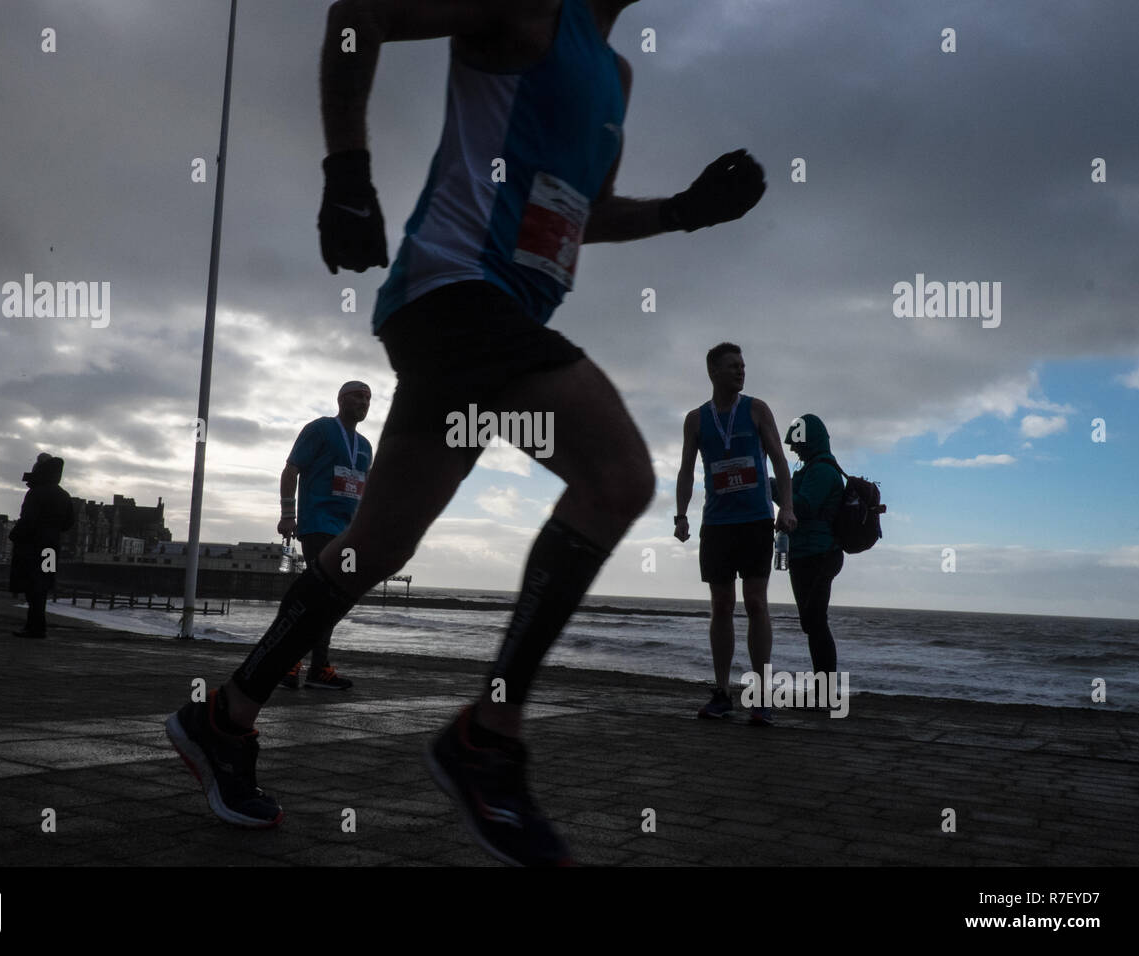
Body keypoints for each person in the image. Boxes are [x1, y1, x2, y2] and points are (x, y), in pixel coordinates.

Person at [166, 0, 767, 865]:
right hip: (457, 293)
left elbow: (584, 212)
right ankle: (487, 737)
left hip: (474, 328)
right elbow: (356, 14)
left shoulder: (617, 76)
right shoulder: (528, 10)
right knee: (620, 477)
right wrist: (346, 173)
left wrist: (683, 211)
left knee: (374, 547)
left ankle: (224, 716)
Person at [675, 344, 795, 725]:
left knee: (756, 603)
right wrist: (680, 516)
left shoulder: (757, 409)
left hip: (756, 520)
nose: (741, 371)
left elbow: (779, 459)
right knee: (721, 605)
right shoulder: (696, 420)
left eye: (743, 365)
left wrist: (786, 508)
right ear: (713, 371)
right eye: (732, 366)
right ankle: (722, 692)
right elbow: (685, 471)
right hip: (717, 525)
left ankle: (760, 697)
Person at [275, 381, 373, 690]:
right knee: (317, 596)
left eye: (368, 397)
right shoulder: (319, 429)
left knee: (332, 600)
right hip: (317, 524)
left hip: (349, 533)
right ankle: (290, 662)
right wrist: (288, 514)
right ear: (342, 399)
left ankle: (318, 668)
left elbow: (365, 491)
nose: (364, 401)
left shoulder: (367, 446)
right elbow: (291, 471)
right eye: (358, 395)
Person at [777, 414, 844, 677]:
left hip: (820, 554)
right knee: (811, 622)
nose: (792, 449)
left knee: (815, 622)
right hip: (804, 554)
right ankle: (822, 691)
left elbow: (802, 507)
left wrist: (775, 488)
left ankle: (825, 694)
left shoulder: (822, 471)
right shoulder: (811, 469)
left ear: (809, 441)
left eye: (796, 443)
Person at [8, 454, 75, 639]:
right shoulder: (64, 495)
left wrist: (15, 535)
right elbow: (69, 523)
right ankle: (38, 626)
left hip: (33, 547)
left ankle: (34, 627)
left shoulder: (36, 493)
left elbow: (27, 520)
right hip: (51, 548)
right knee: (43, 585)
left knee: (32, 585)